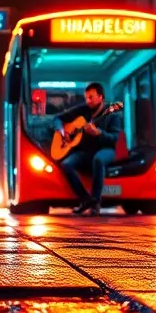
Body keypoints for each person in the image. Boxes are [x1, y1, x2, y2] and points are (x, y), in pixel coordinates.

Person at [53, 82, 121, 215]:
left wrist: (99, 133)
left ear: (101, 97)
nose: (87, 101)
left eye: (91, 97)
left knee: (98, 160)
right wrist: (63, 132)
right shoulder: (83, 110)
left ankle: (95, 201)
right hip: (86, 152)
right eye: (86, 97)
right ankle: (85, 200)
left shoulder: (112, 115)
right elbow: (57, 118)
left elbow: (114, 138)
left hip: (106, 150)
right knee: (66, 164)